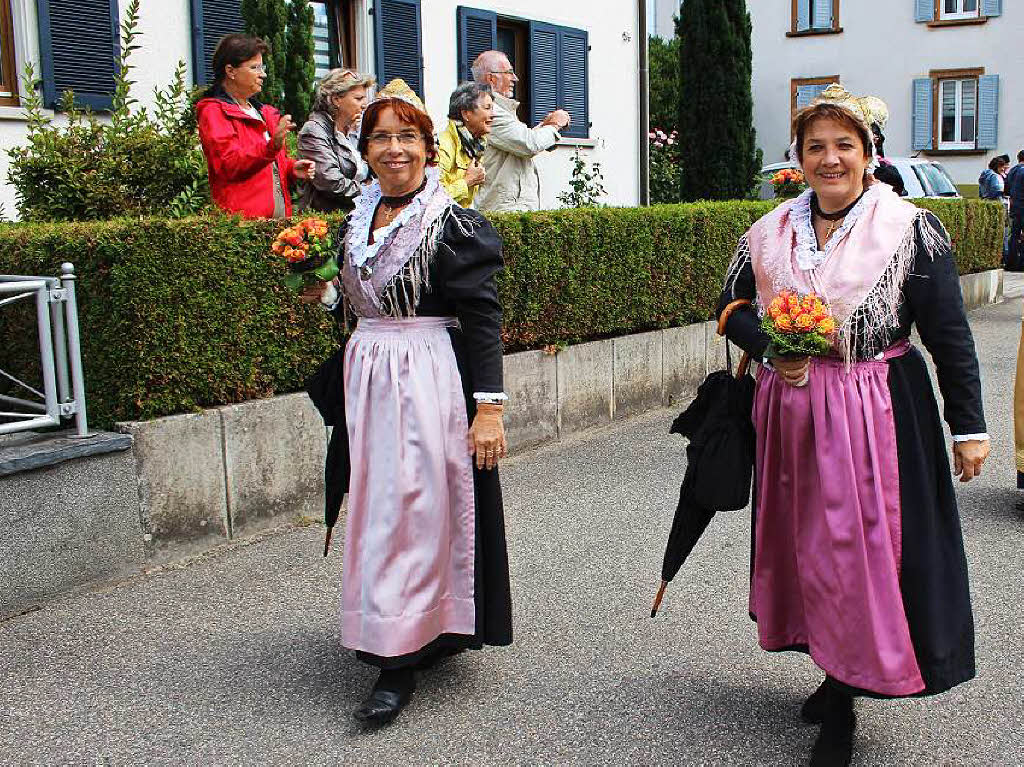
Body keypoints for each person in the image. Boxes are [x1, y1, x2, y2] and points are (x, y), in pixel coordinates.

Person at [717, 85, 989, 767]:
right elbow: (730, 305)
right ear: (798, 159)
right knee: (804, 549)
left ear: (870, 154)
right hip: (790, 414)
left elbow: (949, 335)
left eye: (845, 145)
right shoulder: (772, 230)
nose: (830, 158)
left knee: (853, 559)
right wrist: (774, 340)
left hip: (874, 415)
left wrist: (970, 425)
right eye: (816, 147)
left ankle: (843, 697)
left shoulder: (907, 228)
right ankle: (828, 666)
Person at [303, 79, 512, 725]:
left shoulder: (453, 223)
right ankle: (404, 626)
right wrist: (326, 296)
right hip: (369, 376)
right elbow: (360, 299)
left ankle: (398, 663)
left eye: (407, 137)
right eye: (381, 137)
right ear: (364, 149)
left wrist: (489, 408)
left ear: (429, 147)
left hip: (425, 378)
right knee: (378, 507)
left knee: (418, 510)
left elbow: (480, 318)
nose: (394, 149)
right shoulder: (356, 218)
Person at [196, 34, 314, 218]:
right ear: (231, 71)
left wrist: (291, 168)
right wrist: (271, 147)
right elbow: (229, 165)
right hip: (243, 227)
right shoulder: (213, 111)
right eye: (254, 67)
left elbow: (269, 164)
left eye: (262, 67)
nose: (263, 74)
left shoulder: (264, 113)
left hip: (277, 222)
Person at [471, 50, 570, 212]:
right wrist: (555, 124)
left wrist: (545, 126)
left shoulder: (498, 110)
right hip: (504, 211)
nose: (515, 78)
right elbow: (529, 144)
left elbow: (520, 140)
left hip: (508, 208)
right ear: (491, 78)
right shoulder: (490, 112)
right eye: (509, 72)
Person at [296, 68, 375, 213]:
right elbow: (330, 183)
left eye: (365, 98)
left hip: (359, 215)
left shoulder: (356, 130)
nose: (364, 104)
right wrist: (372, 192)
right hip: (326, 222)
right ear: (336, 100)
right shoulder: (314, 131)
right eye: (358, 99)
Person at [438, 82, 494, 208]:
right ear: (466, 114)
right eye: (487, 108)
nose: (493, 114)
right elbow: (433, 198)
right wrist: (467, 181)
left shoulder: (474, 145)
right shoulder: (443, 145)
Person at [1006, 150, 1024, 270]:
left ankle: (1011, 263)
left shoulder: (1012, 170)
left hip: (1015, 207)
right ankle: (1022, 263)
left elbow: (1006, 190)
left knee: (1014, 235)